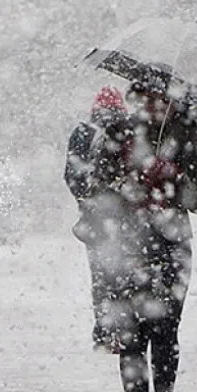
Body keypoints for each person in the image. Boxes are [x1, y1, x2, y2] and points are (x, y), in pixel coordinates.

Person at [72, 80, 197, 392]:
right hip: (128, 246)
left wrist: (172, 177)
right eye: (145, 96)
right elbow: (94, 188)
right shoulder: (119, 133)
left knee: (166, 335)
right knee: (132, 337)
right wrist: (128, 183)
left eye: (160, 97)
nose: (152, 104)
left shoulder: (185, 134)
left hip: (170, 246)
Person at [64, 86, 133, 354]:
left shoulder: (83, 134)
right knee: (123, 275)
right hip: (125, 218)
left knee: (101, 276)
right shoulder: (127, 133)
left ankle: (104, 331)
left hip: (94, 219)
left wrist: (86, 198)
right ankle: (120, 329)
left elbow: (71, 175)